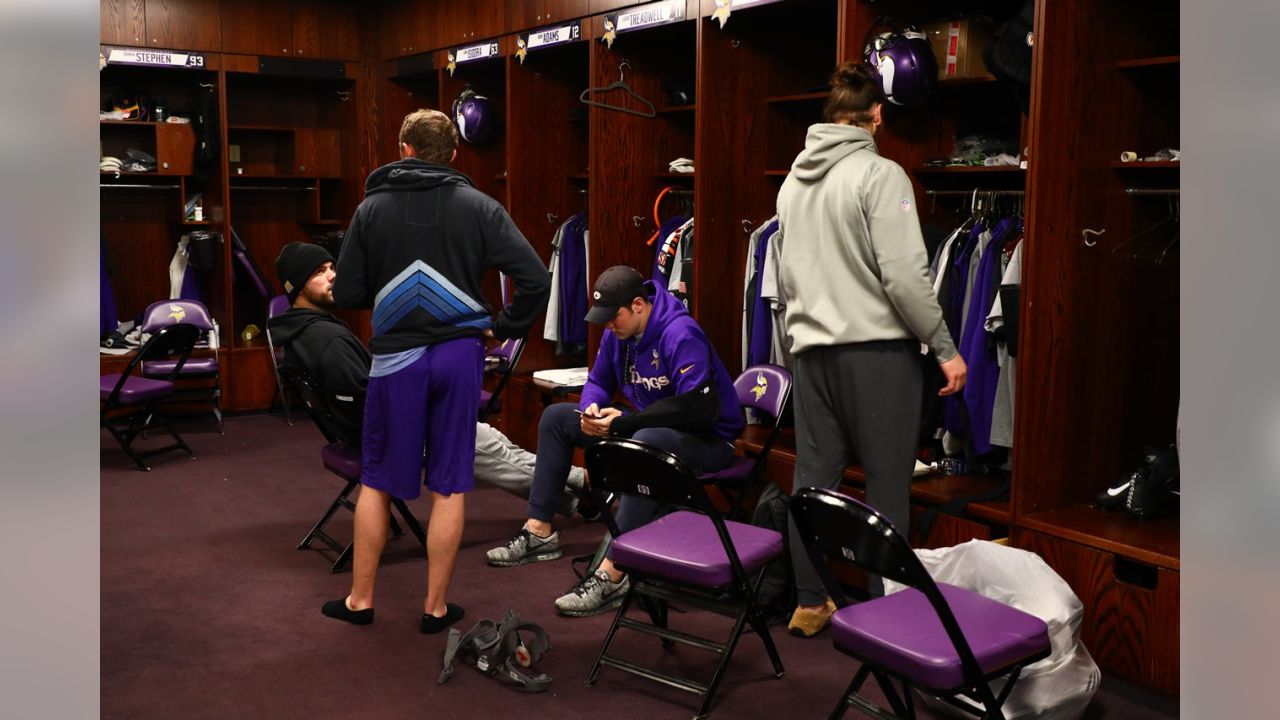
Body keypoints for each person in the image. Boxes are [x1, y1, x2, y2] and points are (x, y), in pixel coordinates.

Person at [327, 110, 550, 634]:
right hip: (459, 354)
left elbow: (349, 292)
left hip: (395, 359)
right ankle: (435, 610)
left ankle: (361, 601)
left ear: (403, 148)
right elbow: (536, 279)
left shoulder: (371, 209)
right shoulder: (481, 206)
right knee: (450, 484)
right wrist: (503, 324)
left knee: (377, 481)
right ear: (453, 155)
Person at [774, 62, 967, 637]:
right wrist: (944, 347)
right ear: (875, 117)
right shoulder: (881, 175)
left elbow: (785, 281)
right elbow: (907, 278)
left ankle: (810, 603)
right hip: (877, 355)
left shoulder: (792, 182)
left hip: (810, 352)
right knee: (887, 485)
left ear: (828, 117)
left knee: (812, 482)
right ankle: (891, 616)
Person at [486, 265, 744, 617]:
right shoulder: (619, 335)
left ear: (638, 305)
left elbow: (695, 408)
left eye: (614, 317)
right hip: (645, 429)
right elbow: (598, 380)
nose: (609, 325)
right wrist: (590, 410)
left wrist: (625, 422)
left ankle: (614, 572)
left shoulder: (681, 333)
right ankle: (539, 530)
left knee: (642, 440)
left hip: (708, 440)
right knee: (558, 418)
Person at [268, 242, 590, 520]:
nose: (332, 275)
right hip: (392, 434)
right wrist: (424, 401)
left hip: (379, 428)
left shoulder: (301, 332)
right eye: (319, 272)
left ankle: (578, 483)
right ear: (295, 286)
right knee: (482, 445)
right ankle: (579, 493)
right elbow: (368, 403)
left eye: (330, 267)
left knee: (488, 438)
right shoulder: (326, 341)